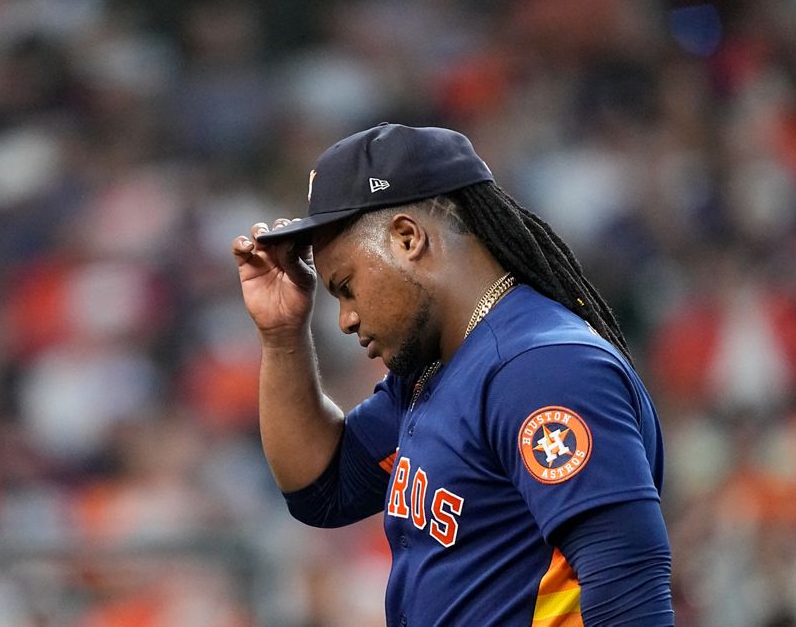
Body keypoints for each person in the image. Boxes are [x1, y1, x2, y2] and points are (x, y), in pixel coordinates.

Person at [231, 124, 672, 625]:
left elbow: (628, 584)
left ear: (407, 238)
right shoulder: (437, 370)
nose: (345, 319)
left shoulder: (540, 368)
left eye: (347, 287)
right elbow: (323, 489)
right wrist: (282, 334)